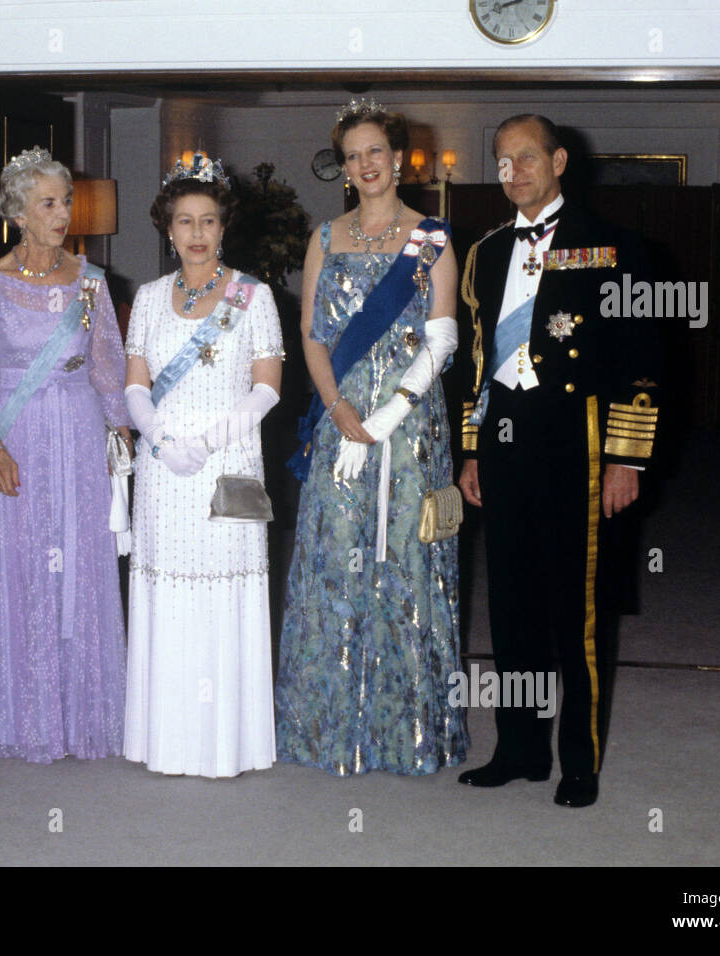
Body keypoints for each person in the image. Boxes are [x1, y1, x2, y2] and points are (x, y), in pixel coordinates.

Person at [456, 114, 660, 808]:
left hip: (580, 446)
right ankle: (517, 750)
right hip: (508, 446)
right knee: (511, 610)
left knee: (579, 615)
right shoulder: (484, 254)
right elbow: (479, 367)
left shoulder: (613, 247)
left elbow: (643, 363)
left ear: (560, 161)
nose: (514, 171)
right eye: (503, 161)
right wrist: (473, 448)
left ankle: (579, 761)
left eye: (527, 158)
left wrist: (627, 459)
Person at [274, 99, 468, 776]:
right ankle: (326, 727)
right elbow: (311, 335)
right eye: (353, 156)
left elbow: (441, 340)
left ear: (400, 157)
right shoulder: (325, 238)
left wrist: (383, 420)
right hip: (340, 421)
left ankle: (408, 729)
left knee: (407, 562)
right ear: (344, 167)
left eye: (376, 151)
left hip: (410, 425)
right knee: (336, 558)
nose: (366, 165)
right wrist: (338, 411)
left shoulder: (433, 239)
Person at [0, 147, 131, 763]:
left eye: (67, 202)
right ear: (19, 214)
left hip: (81, 431)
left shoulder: (90, 280)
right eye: (48, 203)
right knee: (23, 566)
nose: (62, 214)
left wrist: (120, 434)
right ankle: (23, 716)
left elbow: (108, 362)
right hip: (20, 433)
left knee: (82, 562)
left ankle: (84, 716)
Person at [123, 153, 284, 777]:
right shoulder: (147, 297)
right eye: (185, 221)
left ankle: (227, 743)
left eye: (208, 221)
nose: (196, 233)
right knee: (168, 588)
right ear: (168, 228)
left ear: (223, 228)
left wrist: (212, 439)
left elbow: (267, 386)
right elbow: (135, 385)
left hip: (229, 463)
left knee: (223, 591)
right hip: (164, 470)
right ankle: (167, 738)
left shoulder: (254, 295)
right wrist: (161, 441)